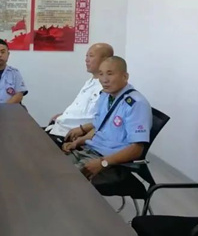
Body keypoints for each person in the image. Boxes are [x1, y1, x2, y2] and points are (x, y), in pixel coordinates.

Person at [61, 56, 152, 187]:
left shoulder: (136, 104)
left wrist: (103, 162)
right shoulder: (106, 96)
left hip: (111, 162)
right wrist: (78, 142)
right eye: (101, 74)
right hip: (90, 151)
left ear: (125, 77)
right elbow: (99, 127)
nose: (104, 79)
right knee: (53, 165)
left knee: (64, 180)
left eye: (110, 74)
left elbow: (136, 149)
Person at [45, 43, 114, 146]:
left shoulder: (107, 88)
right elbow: (81, 109)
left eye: (91, 56)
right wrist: (63, 115)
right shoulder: (90, 82)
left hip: (70, 135)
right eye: (86, 56)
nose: (86, 60)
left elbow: (104, 119)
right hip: (58, 127)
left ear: (105, 59)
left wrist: (82, 130)